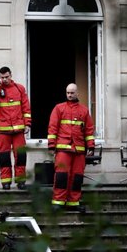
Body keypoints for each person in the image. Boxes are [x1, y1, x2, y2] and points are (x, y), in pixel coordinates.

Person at [46, 83, 95, 211]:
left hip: (79, 150)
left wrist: (91, 146)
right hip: (63, 149)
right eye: (68, 92)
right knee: (61, 175)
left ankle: (74, 203)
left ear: (77, 93)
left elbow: (89, 130)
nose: (69, 95)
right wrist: (52, 146)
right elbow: (53, 128)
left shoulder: (84, 110)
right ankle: (58, 202)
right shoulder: (59, 108)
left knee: (77, 177)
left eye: (72, 93)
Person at [0, 66, 31, 189]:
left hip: (18, 130)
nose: (4, 79)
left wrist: (28, 124)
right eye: (2, 77)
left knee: (20, 157)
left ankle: (21, 182)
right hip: (3, 131)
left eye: (6, 77)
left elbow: (26, 108)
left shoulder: (20, 89)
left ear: (11, 75)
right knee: (4, 157)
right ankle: (6, 182)